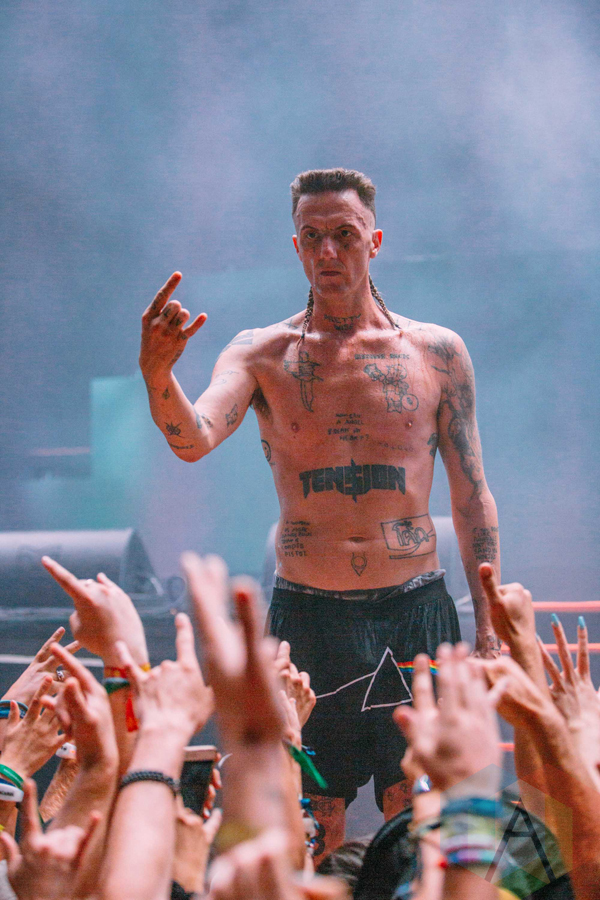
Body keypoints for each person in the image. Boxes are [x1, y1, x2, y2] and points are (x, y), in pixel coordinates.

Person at [139, 167, 501, 856]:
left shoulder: (436, 353)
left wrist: (487, 627)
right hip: (311, 614)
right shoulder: (261, 353)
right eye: (312, 237)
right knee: (312, 816)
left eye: (344, 235)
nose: (328, 251)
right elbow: (193, 439)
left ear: (375, 241)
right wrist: (158, 374)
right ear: (296, 246)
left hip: (414, 608)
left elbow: (472, 492)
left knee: (419, 809)